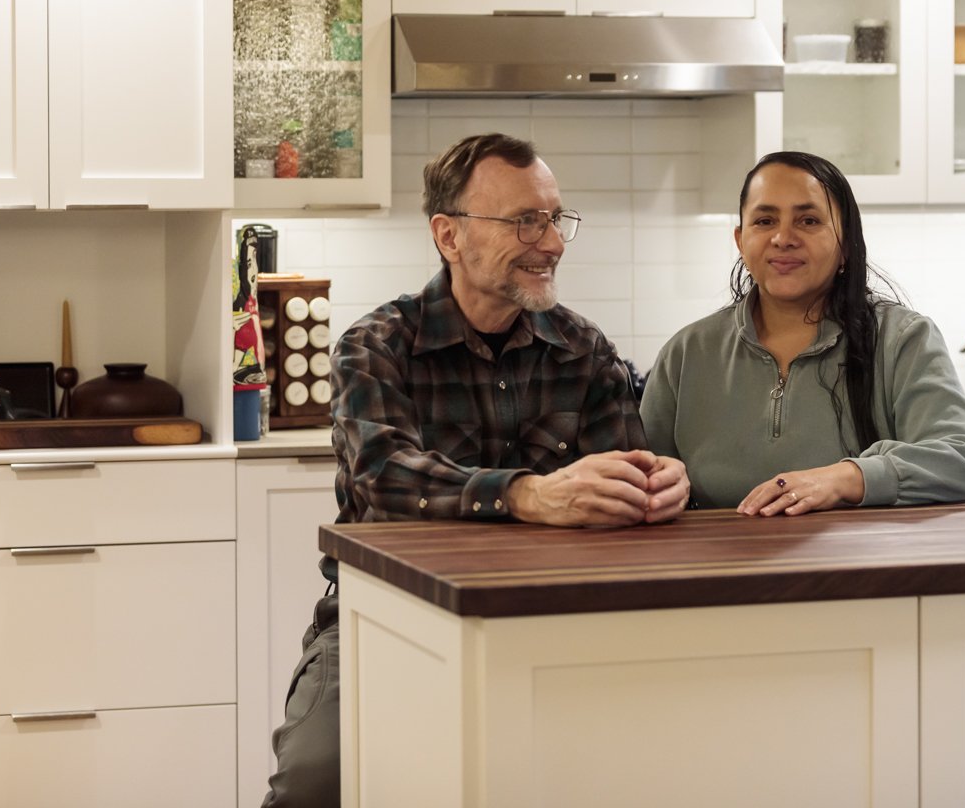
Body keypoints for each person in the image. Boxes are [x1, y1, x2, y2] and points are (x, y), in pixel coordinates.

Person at [262, 133, 690, 807]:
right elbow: (385, 476)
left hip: (550, 622)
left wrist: (657, 486)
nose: (551, 242)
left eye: (555, 219)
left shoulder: (584, 352)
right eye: (526, 220)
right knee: (315, 781)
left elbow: (623, 486)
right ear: (449, 234)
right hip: (383, 620)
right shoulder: (374, 348)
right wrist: (525, 494)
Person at [641, 151, 965, 516]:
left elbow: (963, 460)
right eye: (764, 220)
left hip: (861, 567)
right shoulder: (688, 353)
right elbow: (645, 476)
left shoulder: (902, 340)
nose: (783, 238)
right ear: (741, 242)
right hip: (720, 564)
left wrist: (845, 478)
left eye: (808, 220)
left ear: (846, 245)